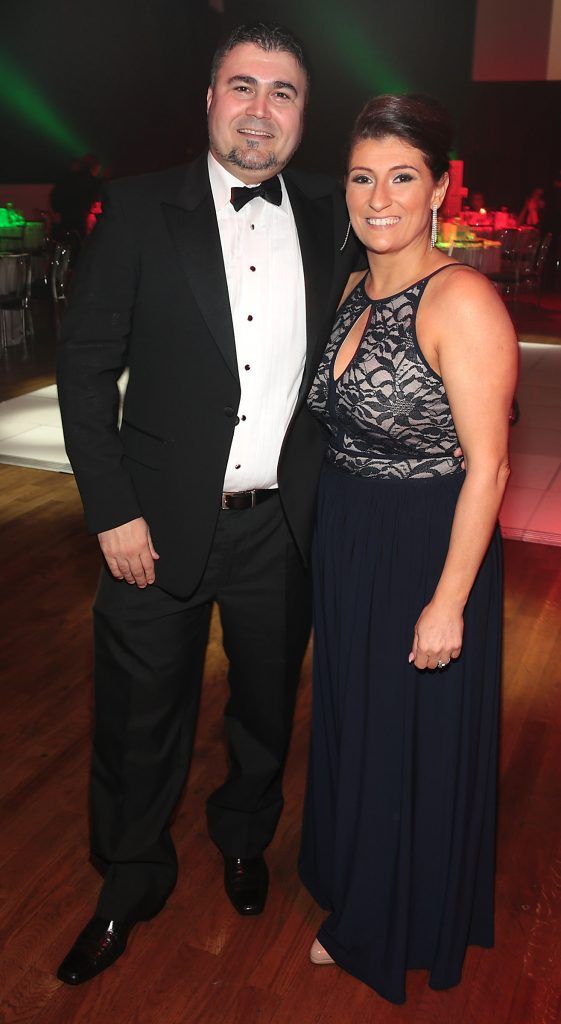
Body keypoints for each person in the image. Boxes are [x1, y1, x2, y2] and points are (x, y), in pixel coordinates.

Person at [56, 23, 358, 985]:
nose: (260, 108)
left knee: (265, 711)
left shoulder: (330, 214)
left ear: (303, 116)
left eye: (283, 92)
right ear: (209, 100)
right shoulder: (138, 208)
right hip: (151, 525)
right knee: (139, 720)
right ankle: (128, 881)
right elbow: (84, 369)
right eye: (243, 85)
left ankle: (242, 838)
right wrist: (110, 510)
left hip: (283, 528)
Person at [299, 94, 518, 1004]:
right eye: (361, 177)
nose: (377, 197)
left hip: (425, 546)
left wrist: (447, 600)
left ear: (437, 191)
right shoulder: (354, 286)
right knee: (356, 723)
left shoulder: (461, 299)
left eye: (400, 178)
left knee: (403, 736)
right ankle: (354, 876)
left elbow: (490, 467)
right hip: (349, 535)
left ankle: (389, 919)